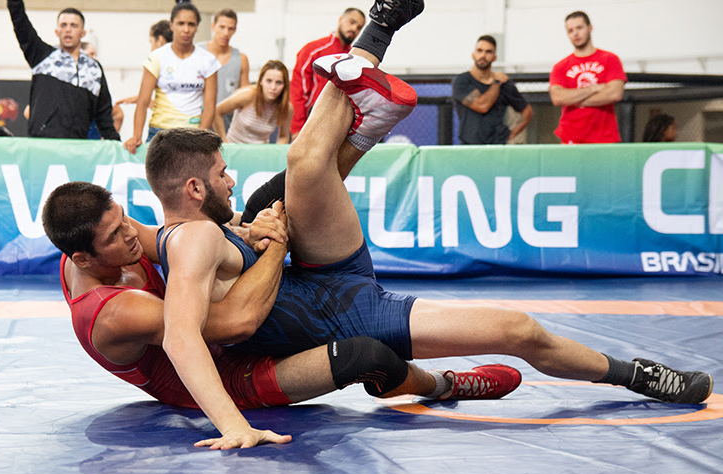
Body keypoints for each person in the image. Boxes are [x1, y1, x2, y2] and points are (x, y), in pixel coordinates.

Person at [144, 0, 713, 450]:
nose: (231, 181)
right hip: (339, 316)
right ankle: (634, 374)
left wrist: (247, 234)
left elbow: (176, 246)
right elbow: (182, 335)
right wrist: (231, 423)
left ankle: (380, 28)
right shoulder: (191, 239)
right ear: (193, 189)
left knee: (302, 167)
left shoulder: (188, 228)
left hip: (321, 272)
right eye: (222, 175)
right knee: (518, 329)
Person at [41, 180, 520, 450]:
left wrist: (241, 231)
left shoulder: (107, 242)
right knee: (360, 354)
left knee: (271, 200)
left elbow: (179, 235)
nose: (129, 234)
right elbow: (229, 325)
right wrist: (234, 425)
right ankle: (447, 385)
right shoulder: (113, 312)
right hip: (225, 374)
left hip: (222, 332)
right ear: (82, 258)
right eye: (113, 236)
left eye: (124, 217)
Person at [7, 0, 120, 140]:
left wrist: (116, 145)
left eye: (74, 26)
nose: (68, 29)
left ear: (83, 33)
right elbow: (20, 22)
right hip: (42, 144)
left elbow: (104, 116)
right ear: (57, 31)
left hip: (77, 148)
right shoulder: (42, 56)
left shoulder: (94, 69)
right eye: (63, 25)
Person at [124, 2, 220, 154]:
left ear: (197, 27)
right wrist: (136, 136)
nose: (186, 29)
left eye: (191, 24)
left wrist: (201, 138)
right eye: (181, 23)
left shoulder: (208, 60)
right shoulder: (157, 57)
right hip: (160, 133)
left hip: (192, 134)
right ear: (172, 25)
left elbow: (209, 107)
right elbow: (142, 102)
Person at [549, 11, 627, 144]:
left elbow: (615, 93)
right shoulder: (560, 66)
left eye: (579, 28)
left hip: (604, 138)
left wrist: (573, 98)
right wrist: (594, 89)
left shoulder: (610, 59)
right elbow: (557, 98)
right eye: (570, 30)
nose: (575, 33)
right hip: (571, 138)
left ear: (590, 28)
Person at [289, 7, 365, 140]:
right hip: (311, 123)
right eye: (351, 22)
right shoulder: (313, 50)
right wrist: (297, 128)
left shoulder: (353, 59)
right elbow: (298, 91)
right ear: (341, 20)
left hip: (340, 126)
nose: (354, 29)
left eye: (359, 27)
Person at [452, 35, 533, 145]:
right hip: (469, 147)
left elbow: (527, 111)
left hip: (497, 147)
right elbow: (482, 105)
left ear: (494, 57)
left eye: (488, 52)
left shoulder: (505, 84)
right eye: (479, 50)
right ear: (473, 54)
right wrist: (496, 83)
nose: (483, 55)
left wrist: (513, 132)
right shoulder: (462, 81)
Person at [213, 60, 293, 144]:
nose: (273, 87)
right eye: (269, 81)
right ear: (261, 81)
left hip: (261, 153)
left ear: (285, 85)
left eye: (279, 83)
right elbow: (216, 111)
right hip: (235, 149)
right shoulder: (248, 95)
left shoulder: (286, 107)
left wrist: (277, 155)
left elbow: (283, 137)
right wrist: (224, 143)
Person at [197, 9, 251, 132]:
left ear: (235, 30)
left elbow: (245, 98)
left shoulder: (241, 59)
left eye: (230, 28)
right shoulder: (197, 53)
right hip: (197, 121)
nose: (226, 33)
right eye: (222, 27)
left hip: (227, 126)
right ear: (213, 26)